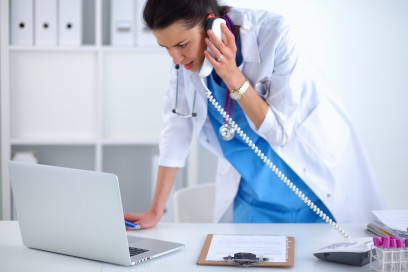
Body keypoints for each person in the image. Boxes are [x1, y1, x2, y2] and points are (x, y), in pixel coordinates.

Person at [124, 0, 385, 229]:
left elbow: (279, 133)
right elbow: (176, 131)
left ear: (211, 25)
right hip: (254, 204)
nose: (176, 59)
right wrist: (156, 211)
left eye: (181, 44)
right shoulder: (185, 66)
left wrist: (232, 75)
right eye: (165, 47)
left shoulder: (274, 34)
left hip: (317, 196)